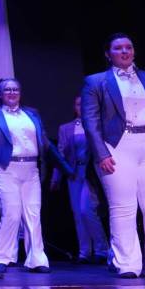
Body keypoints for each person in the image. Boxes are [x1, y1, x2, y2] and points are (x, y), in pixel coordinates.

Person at [81, 33, 145, 278]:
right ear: (108, 54)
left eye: (129, 47)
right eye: (118, 48)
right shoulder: (95, 82)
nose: (125, 52)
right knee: (123, 207)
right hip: (117, 146)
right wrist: (101, 154)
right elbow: (90, 122)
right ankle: (127, 263)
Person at [0, 78, 73, 274]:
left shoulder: (32, 115)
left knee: (33, 214)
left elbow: (45, 143)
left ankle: (36, 259)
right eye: (7, 90)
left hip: (31, 169)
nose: (12, 93)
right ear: (0, 93)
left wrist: (64, 167)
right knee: (12, 214)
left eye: (15, 89)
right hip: (6, 169)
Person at [51, 96, 108, 264]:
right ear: (74, 107)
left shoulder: (97, 126)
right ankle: (85, 252)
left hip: (92, 174)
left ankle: (102, 249)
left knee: (87, 210)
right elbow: (60, 154)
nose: (81, 107)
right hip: (74, 173)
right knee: (78, 214)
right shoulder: (66, 128)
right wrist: (56, 176)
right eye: (78, 104)